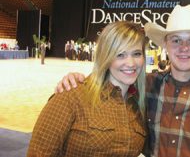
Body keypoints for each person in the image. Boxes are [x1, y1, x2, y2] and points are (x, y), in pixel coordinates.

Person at [56, 4, 190, 156]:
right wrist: (77, 80)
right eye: (176, 40)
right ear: (165, 44)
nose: (184, 47)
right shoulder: (144, 86)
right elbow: (108, 83)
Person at [27, 21, 147, 157]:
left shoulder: (138, 105)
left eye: (137, 54)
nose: (131, 63)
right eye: (120, 55)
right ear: (105, 56)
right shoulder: (71, 96)